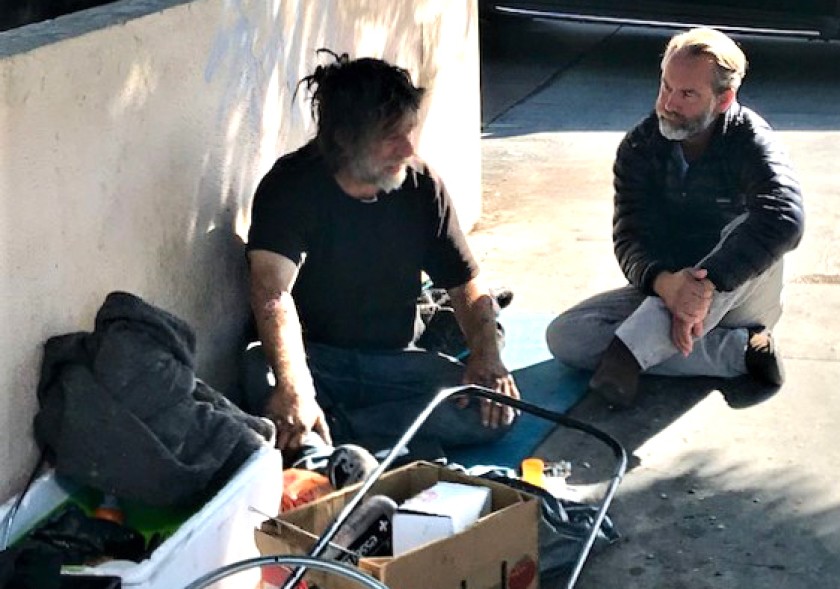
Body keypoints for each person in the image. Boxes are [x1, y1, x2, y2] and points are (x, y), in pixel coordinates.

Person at [243, 51, 520, 456]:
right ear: (344, 138)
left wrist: (486, 356)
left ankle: (336, 431)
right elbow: (271, 292)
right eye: (392, 136)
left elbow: (466, 286)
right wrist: (295, 387)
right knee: (259, 371)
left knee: (495, 408)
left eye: (410, 131)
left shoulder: (422, 187)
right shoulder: (290, 187)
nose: (408, 148)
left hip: (395, 363)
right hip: (318, 362)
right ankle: (371, 431)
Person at [545, 27, 805, 407]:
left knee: (746, 226)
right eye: (666, 86)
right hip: (669, 297)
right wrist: (666, 283)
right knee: (566, 337)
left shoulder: (750, 140)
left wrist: (707, 283)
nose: (668, 103)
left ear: (723, 99)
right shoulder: (640, 147)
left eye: (687, 94)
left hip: (738, 295)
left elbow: (786, 218)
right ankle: (739, 353)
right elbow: (629, 237)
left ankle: (627, 356)